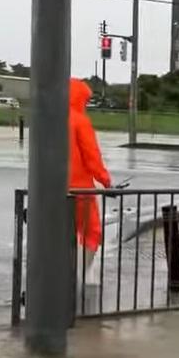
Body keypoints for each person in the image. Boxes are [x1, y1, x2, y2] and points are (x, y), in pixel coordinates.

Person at [68, 78, 112, 274]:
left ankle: (52, 277)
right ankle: (78, 276)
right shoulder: (80, 120)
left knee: (59, 232)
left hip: (51, 189)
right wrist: (105, 180)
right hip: (80, 190)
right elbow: (91, 156)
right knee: (92, 233)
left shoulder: (49, 117)